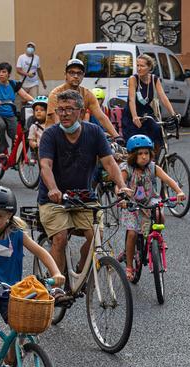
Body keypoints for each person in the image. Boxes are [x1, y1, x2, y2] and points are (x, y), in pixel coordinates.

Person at [0, 186, 64, 365]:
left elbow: (41, 252)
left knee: (21, 321)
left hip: (10, 288)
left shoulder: (17, 235)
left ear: (9, 216)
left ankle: (12, 358)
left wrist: (56, 272)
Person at [38, 89, 131, 276]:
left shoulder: (94, 132)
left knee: (96, 236)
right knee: (61, 237)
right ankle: (58, 282)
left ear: (81, 112)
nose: (64, 114)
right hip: (54, 199)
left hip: (83, 197)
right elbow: (45, 166)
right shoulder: (50, 135)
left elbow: (109, 163)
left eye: (69, 109)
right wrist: (53, 189)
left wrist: (122, 186)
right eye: (60, 110)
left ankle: (81, 266)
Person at [119, 135, 185, 280]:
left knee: (160, 213)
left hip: (150, 200)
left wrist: (179, 191)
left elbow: (168, 179)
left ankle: (158, 237)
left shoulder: (153, 167)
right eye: (140, 154)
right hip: (132, 203)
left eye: (146, 153)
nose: (144, 157)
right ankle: (129, 266)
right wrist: (122, 196)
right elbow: (120, 185)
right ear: (132, 155)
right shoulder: (126, 169)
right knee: (132, 233)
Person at [44, 59, 119, 139]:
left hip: (76, 137)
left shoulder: (87, 95)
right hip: (54, 139)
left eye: (79, 73)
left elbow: (101, 117)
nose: (76, 76)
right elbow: (59, 122)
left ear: (83, 76)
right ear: (65, 75)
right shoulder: (55, 94)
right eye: (72, 73)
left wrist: (117, 136)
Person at [122, 54, 178, 160]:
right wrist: (134, 116)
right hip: (132, 115)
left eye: (142, 66)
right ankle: (132, 167)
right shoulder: (133, 79)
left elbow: (163, 98)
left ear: (149, 67)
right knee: (134, 144)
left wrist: (173, 114)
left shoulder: (154, 79)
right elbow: (131, 99)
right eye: (137, 65)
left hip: (147, 114)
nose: (139, 68)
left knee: (158, 132)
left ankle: (153, 162)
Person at [0, 62, 32, 159]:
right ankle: (2, 151)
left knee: (17, 134)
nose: (1, 74)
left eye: (4, 72)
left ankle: (14, 156)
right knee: (1, 125)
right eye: (0, 72)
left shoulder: (14, 84)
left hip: (10, 114)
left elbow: (25, 96)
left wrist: (37, 102)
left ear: (9, 74)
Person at [26, 95, 48, 162]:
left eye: (42, 110)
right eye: (36, 110)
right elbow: (31, 140)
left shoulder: (51, 125)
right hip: (40, 150)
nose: (38, 112)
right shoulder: (34, 127)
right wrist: (35, 145)